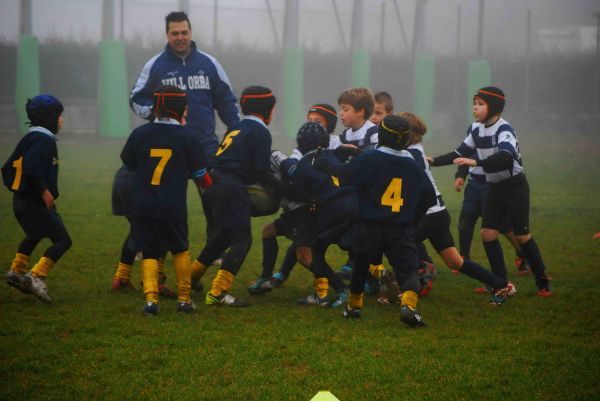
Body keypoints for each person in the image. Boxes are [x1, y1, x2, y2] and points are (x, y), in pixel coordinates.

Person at [429, 86, 552, 297]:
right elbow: (459, 153)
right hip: (494, 188)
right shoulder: (476, 129)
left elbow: (505, 158)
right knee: (487, 234)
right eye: (474, 104)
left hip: (515, 188)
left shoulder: (505, 130)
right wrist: (432, 161)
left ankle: (542, 279)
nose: (475, 108)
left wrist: (476, 161)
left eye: (480, 104)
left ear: (494, 107)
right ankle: (500, 282)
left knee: (522, 236)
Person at [314, 115, 436, 326]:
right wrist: (412, 221)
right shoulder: (413, 164)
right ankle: (408, 306)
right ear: (406, 139)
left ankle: (353, 307)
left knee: (360, 265)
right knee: (408, 272)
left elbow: (345, 177)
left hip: (369, 226)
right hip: (400, 228)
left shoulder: (370, 159)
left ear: (380, 135)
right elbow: (429, 197)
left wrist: (326, 163)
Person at [399, 111, 516, 306]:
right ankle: (501, 284)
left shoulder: (411, 154)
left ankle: (410, 286)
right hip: (438, 213)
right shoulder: (413, 151)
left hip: (429, 215)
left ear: (406, 135)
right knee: (455, 261)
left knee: (400, 244)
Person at [120, 85, 212, 315]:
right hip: (173, 205)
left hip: (143, 204)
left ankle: (151, 301)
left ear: (157, 106)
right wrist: (210, 184)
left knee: (149, 252)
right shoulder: (188, 136)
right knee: (180, 249)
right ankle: (184, 300)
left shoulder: (140, 134)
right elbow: (202, 176)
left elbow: (129, 164)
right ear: (181, 108)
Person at [190, 86, 280, 307]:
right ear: (267, 109)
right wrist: (284, 188)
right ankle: (218, 292)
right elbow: (260, 170)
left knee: (223, 237)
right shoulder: (260, 132)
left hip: (212, 184)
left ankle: (190, 277)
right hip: (231, 187)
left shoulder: (237, 128)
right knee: (242, 240)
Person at [130, 11, 240, 161]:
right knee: (171, 185)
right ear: (167, 35)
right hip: (168, 147)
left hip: (206, 147)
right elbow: (136, 99)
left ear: (190, 33)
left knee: (215, 185)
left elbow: (227, 101)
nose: (180, 38)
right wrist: (157, 111)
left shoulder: (210, 64)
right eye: (175, 33)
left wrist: (236, 131)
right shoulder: (154, 66)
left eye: (184, 33)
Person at [2, 94, 72, 303]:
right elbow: (32, 168)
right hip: (35, 201)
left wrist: (19, 189)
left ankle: (16, 271)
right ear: (50, 118)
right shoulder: (44, 140)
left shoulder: (30, 137)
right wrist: (44, 191)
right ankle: (36, 276)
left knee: (34, 234)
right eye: (60, 116)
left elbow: (7, 168)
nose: (62, 120)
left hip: (21, 200)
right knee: (63, 240)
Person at [454, 163, 531, 278]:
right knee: (465, 222)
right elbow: (466, 157)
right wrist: (460, 175)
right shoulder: (471, 144)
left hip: (492, 186)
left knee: (502, 224)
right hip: (473, 185)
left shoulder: (497, 144)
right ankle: (464, 259)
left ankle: (523, 254)